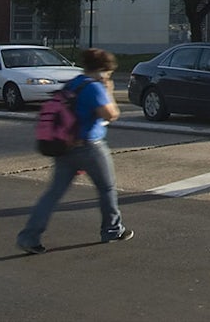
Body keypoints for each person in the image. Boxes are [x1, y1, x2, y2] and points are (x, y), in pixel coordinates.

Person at [16, 49, 133, 253]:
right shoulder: (94, 87)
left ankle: (29, 237)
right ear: (102, 70)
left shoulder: (74, 83)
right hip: (90, 146)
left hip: (65, 147)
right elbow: (112, 114)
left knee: (53, 193)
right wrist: (109, 91)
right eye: (109, 73)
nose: (109, 76)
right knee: (106, 188)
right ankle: (112, 230)